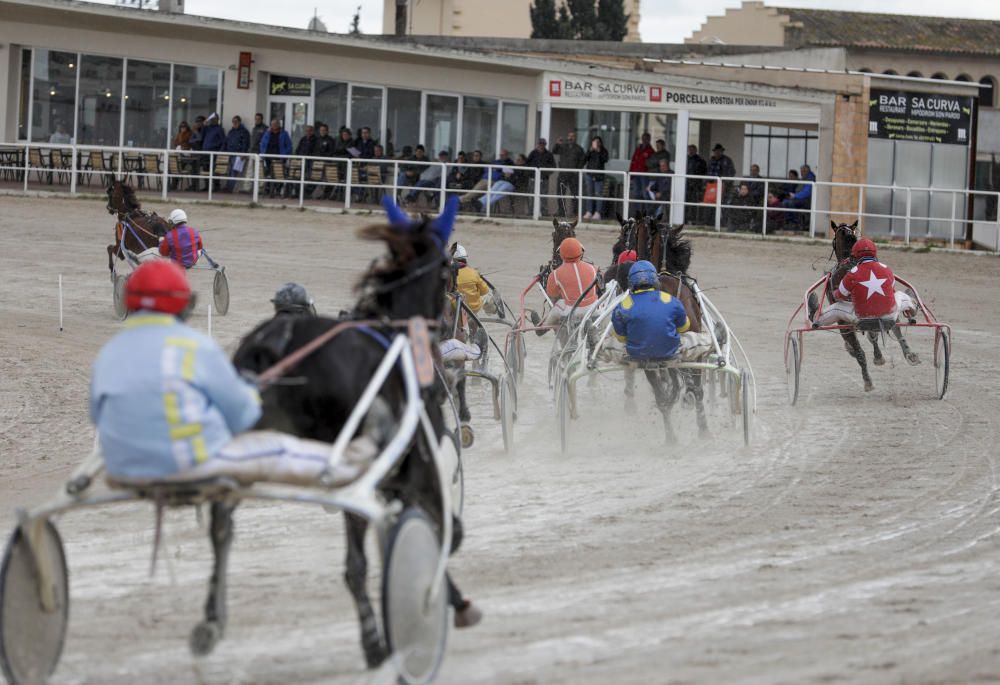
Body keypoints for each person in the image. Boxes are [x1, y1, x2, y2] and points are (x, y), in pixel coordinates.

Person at [90, 260, 366, 488]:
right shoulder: (196, 347)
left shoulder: (108, 352)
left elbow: (96, 415)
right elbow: (241, 417)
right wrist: (246, 389)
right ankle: (355, 465)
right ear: (185, 304)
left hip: (121, 468)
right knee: (279, 448)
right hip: (187, 466)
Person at [813, 238, 917, 335]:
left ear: (855, 255)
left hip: (861, 318)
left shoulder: (852, 273)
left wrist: (836, 291)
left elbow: (839, 296)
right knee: (899, 295)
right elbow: (892, 290)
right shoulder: (886, 269)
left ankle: (817, 319)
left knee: (836, 308)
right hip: (890, 317)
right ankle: (912, 306)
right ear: (875, 253)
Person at [611, 260, 690, 360]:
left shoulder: (622, 306)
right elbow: (684, 328)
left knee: (610, 344)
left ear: (630, 282)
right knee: (697, 340)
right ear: (655, 279)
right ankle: (715, 341)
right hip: (670, 351)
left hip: (636, 354)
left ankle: (594, 345)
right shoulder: (671, 300)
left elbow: (621, 337)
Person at [531, 237, 598, 335]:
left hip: (573, 312)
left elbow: (552, 294)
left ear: (561, 255)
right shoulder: (593, 268)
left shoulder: (555, 274)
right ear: (581, 252)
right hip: (594, 309)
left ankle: (542, 329)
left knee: (558, 305)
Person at [553, 131, 585, 217]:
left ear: (575, 138)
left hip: (573, 175)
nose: (570, 138)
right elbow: (554, 151)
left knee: (575, 194)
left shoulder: (579, 149)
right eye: (569, 136)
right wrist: (557, 144)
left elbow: (582, 161)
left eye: (572, 136)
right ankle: (561, 211)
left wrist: (577, 170)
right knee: (560, 193)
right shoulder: (563, 146)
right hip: (563, 173)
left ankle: (575, 212)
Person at [452, 244, 490, 314]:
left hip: (455, 308)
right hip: (473, 308)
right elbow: (485, 291)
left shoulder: (448, 273)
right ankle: (491, 311)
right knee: (488, 297)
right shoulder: (473, 273)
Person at [259, 119, 292, 198]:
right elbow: (262, 143)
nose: (273, 126)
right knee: (269, 174)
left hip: (279, 158)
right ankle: (269, 190)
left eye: (275, 124)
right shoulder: (267, 133)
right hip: (268, 157)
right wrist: (263, 153)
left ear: (278, 125)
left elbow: (289, 146)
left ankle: (278, 189)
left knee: (279, 174)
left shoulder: (284, 134)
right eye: (272, 124)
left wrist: (284, 154)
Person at [582, 136, 609, 220]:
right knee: (589, 193)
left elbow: (605, 160)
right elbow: (584, 160)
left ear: (600, 143)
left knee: (598, 194)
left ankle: (598, 212)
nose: (596, 144)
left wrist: (598, 151)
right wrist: (590, 151)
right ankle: (589, 211)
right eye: (594, 142)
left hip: (599, 176)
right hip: (589, 174)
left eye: (598, 142)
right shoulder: (590, 150)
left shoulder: (603, 151)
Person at [782, 164, 816, 229]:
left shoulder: (810, 179)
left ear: (807, 171)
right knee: (785, 202)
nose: (801, 173)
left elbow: (807, 193)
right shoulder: (804, 178)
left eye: (803, 171)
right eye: (801, 171)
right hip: (798, 198)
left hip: (806, 200)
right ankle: (788, 221)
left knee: (790, 203)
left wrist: (795, 196)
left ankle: (795, 222)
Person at [224, 115, 250, 192]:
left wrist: (243, 153)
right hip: (230, 153)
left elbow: (246, 143)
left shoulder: (244, 131)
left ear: (239, 122)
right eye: (233, 121)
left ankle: (230, 188)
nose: (234, 123)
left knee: (234, 172)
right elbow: (227, 141)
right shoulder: (231, 131)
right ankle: (228, 187)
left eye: (236, 121)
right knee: (229, 171)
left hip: (238, 155)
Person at [629, 133, 654, 207]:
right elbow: (633, 161)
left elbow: (651, 164)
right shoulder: (638, 149)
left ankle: (648, 213)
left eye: (646, 139)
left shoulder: (651, 151)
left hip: (645, 175)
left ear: (649, 140)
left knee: (646, 194)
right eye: (643, 138)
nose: (644, 140)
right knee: (636, 194)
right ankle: (638, 213)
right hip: (636, 174)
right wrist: (631, 173)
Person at [685, 145, 707, 224]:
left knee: (694, 203)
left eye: (692, 150)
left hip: (696, 185)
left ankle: (693, 220)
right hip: (686, 185)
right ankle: (685, 219)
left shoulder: (700, 161)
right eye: (689, 149)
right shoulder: (685, 159)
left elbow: (703, 172)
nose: (690, 151)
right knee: (685, 202)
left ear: (695, 150)